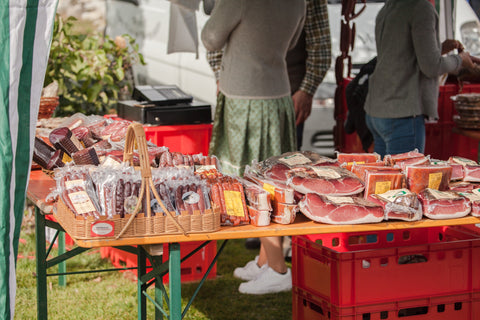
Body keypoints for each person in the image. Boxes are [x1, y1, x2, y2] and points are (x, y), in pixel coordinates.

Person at [205, 0, 331, 294]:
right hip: (277, 94)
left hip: (246, 98)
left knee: (256, 184)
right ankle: (265, 261)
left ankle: (277, 268)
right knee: (272, 177)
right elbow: (292, 41)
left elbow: (210, 39)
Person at [364, 0, 474, 158]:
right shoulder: (421, 8)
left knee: (383, 179)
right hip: (401, 112)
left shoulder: (390, 7)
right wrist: (460, 60)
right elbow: (431, 67)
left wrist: (440, 48)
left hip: (378, 110)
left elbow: (403, 55)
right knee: (405, 180)